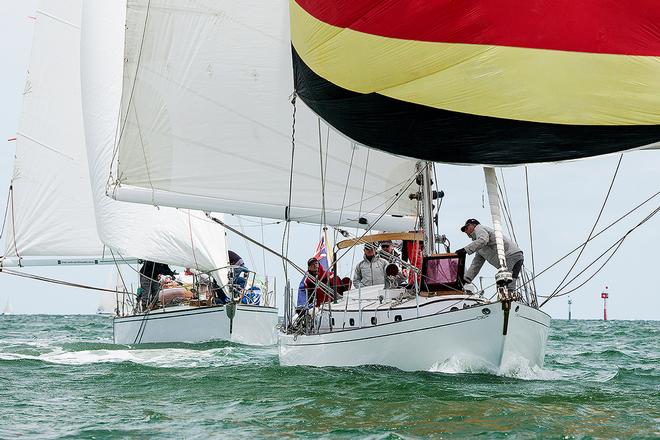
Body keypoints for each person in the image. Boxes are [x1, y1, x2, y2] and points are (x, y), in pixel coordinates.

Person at [455, 219, 524, 292]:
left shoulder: (479, 228)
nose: (465, 231)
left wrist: (464, 250)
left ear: (474, 225)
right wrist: (466, 279)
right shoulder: (479, 246)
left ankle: (508, 300)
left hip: (511, 255)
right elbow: (476, 264)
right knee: (505, 284)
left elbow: (483, 240)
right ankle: (507, 300)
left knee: (506, 284)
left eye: (466, 228)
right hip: (514, 256)